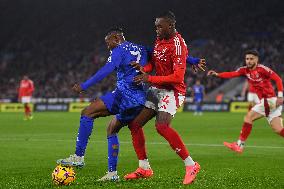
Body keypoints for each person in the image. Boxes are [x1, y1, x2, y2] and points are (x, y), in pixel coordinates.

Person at [56, 27, 205, 181]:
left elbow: (106, 70)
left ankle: (78, 157)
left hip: (124, 95)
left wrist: (84, 86)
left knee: (87, 112)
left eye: (108, 43)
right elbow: (164, 56)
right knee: (113, 128)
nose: (108, 47)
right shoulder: (141, 48)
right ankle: (114, 173)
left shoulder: (119, 50)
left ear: (115, 38)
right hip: (141, 98)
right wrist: (192, 60)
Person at [125, 11, 201, 185]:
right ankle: (144, 168)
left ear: (171, 26)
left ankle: (191, 165)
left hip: (173, 91)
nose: (156, 29)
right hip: (157, 88)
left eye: (160, 26)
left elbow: (177, 77)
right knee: (135, 125)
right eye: (155, 26)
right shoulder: (159, 40)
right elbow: (155, 61)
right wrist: (144, 68)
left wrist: (148, 78)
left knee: (161, 127)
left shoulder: (178, 44)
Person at [207, 49, 284, 153]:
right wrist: (217, 74)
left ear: (257, 59)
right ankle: (239, 145)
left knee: (248, 117)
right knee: (278, 129)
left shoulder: (263, 69)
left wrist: (280, 96)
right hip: (268, 102)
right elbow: (232, 74)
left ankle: (239, 145)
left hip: (269, 100)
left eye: (251, 59)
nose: (249, 61)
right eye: (247, 59)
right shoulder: (244, 70)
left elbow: (278, 79)